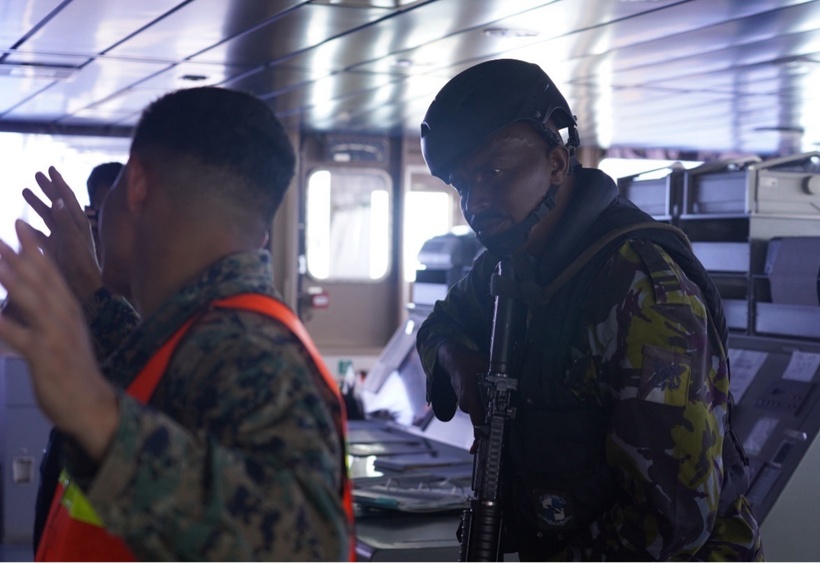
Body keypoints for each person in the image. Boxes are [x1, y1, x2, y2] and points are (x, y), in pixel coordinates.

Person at [415, 59, 764, 561]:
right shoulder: (509, 263)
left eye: (493, 170)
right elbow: (441, 325)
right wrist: (458, 361)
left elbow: (673, 519)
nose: (476, 200)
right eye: (461, 183)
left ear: (557, 163)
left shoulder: (645, 294)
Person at [0, 86, 353, 560]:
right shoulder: (206, 331)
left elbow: (307, 547)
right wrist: (86, 288)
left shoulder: (250, 349)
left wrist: (93, 411)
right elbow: (167, 389)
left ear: (139, 185)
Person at [29, 161, 124, 554]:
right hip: (69, 458)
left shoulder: (142, 280)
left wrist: (90, 279)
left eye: (110, 216)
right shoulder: (76, 269)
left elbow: (138, 363)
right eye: (93, 215)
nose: (101, 228)